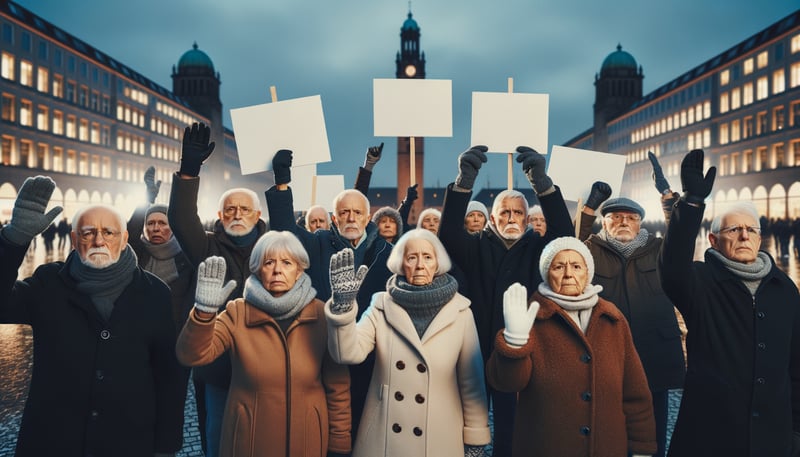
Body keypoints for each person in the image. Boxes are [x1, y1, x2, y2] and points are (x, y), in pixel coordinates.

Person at [0, 176, 186, 456]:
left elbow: (168, 376)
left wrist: (166, 446)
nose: (99, 239)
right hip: (53, 441)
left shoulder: (155, 293)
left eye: (109, 233)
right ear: (74, 240)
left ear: (125, 239)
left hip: (128, 441)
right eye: (88, 233)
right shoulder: (48, 283)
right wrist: (14, 240)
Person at [659, 149, 800, 457]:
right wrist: (692, 204)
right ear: (714, 241)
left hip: (773, 439)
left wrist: (796, 433)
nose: (744, 236)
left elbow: (796, 366)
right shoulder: (700, 281)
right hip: (710, 434)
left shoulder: (784, 289)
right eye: (734, 230)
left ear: (760, 239)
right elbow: (671, 269)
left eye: (751, 230)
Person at [438, 145, 574, 457]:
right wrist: (464, 181)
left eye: (517, 213)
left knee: (513, 429)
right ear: (493, 217)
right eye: (504, 212)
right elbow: (447, 235)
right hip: (478, 350)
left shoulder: (538, 249)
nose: (511, 217)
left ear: (527, 218)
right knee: (469, 425)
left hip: (523, 352)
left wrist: (542, 183)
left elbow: (565, 233)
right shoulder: (475, 247)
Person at [176, 232, 352, 457]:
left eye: (287, 263)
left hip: (307, 441)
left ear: (299, 271)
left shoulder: (320, 313)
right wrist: (203, 312)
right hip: (248, 441)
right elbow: (191, 356)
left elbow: (338, 385)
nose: (277, 269)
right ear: (258, 269)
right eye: (269, 262)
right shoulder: (238, 312)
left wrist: (339, 442)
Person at [266, 148, 394, 444]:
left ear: (368, 216)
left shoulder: (387, 253)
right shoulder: (319, 242)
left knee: (364, 428)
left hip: (370, 354)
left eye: (357, 212)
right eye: (344, 212)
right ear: (335, 218)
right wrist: (282, 183)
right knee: (324, 432)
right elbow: (284, 232)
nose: (351, 217)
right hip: (322, 351)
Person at [325, 229, 491, 456]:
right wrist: (342, 310)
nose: (420, 265)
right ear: (401, 264)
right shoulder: (380, 305)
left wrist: (475, 439)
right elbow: (348, 353)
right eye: (412, 257)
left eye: (427, 257)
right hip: (384, 437)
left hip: (439, 437)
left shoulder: (461, 312)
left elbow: (472, 384)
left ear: (438, 264)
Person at [487, 236, 657, 457]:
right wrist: (514, 340)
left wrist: (642, 448)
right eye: (558, 266)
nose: (568, 274)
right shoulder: (529, 319)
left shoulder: (613, 319)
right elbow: (507, 383)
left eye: (576, 266)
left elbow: (635, 391)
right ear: (547, 273)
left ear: (588, 273)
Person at [168, 122, 269, 457]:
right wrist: (188, 172)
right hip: (217, 366)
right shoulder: (206, 247)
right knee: (217, 437)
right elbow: (181, 220)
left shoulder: (273, 249)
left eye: (244, 210)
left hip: (265, 363)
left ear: (257, 215)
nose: (237, 214)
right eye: (230, 210)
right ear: (219, 215)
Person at [577, 180, 685, 457]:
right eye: (615, 217)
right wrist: (589, 207)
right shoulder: (590, 250)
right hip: (606, 353)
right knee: (607, 430)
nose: (623, 221)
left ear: (639, 223)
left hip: (654, 353)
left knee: (653, 432)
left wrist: (669, 201)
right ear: (604, 222)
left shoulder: (659, 249)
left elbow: (682, 236)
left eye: (631, 217)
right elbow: (572, 241)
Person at [128, 165, 196, 331]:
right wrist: (147, 199)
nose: (156, 228)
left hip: (175, 330)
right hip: (140, 328)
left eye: (162, 223)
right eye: (150, 223)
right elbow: (130, 232)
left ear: (172, 227)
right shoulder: (138, 253)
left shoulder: (186, 256)